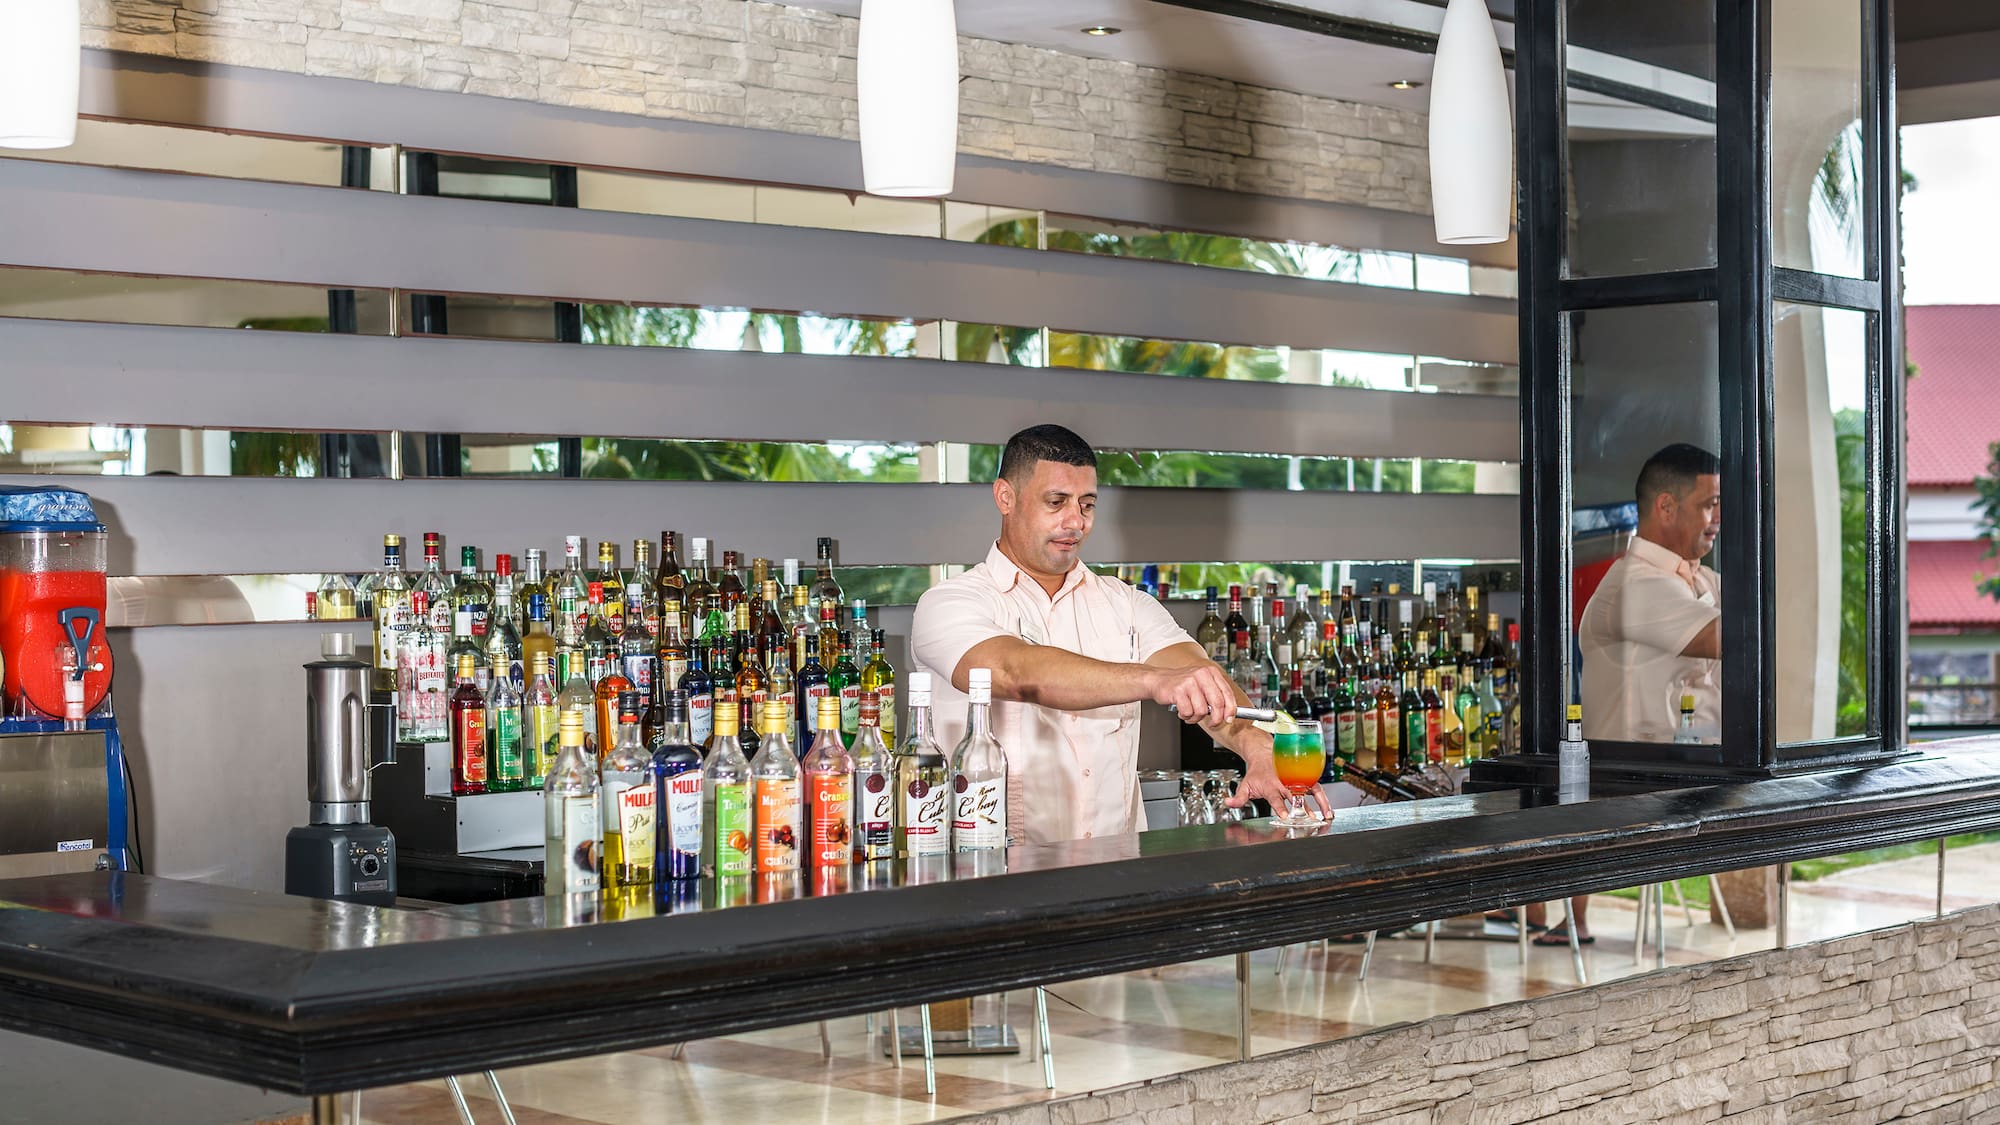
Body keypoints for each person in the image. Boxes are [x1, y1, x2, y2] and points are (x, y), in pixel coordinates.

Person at [910, 424, 1328, 847]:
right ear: (1005, 497)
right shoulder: (949, 604)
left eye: (1087, 505)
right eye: (1056, 502)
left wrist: (1256, 747)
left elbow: (1198, 674)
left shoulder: (1126, 604)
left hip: (1119, 875)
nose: (1075, 522)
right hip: (994, 881)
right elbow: (1014, 670)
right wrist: (1152, 680)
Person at [1533, 442, 1721, 946]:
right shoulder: (1636, 585)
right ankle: (1566, 917)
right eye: (1709, 504)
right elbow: (1736, 640)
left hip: (1690, 767)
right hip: (1634, 783)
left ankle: (1569, 919)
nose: (1718, 519)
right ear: (1666, 507)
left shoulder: (1700, 580)